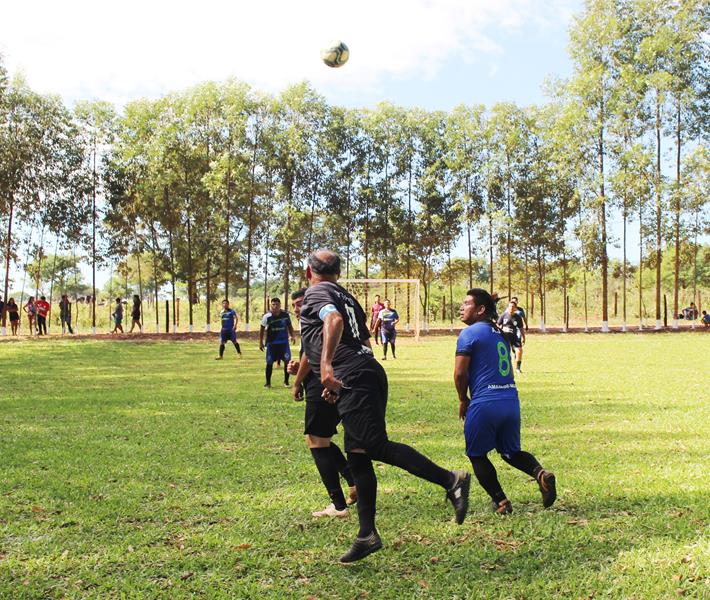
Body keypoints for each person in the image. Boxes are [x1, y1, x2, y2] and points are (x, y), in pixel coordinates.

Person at [300, 249, 471, 563]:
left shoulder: (317, 292)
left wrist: (327, 368)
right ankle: (367, 534)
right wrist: (342, 379)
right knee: (358, 454)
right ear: (337, 272)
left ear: (309, 272)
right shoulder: (346, 296)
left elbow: (333, 321)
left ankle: (452, 480)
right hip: (365, 372)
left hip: (355, 374)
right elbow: (363, 343)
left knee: (374, 446)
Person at [454, 288, 556, 515]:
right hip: (510, 400)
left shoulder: (469, 334)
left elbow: (460, 374)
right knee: (510, 452)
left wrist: (463, 399)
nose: (462, 307)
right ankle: (541, 474)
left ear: (480, 310)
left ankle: (501, 502)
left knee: (476, 454)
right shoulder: (498, 331)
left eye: (466, 303)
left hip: (485, 402)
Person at [288, 288, 357, 518]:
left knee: (317, 441)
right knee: (321, 439)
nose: (298, 309)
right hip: (326, 380)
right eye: (295, 305)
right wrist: (299, 369)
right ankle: (353, 482)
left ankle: (339, 506)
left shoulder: (318, 317)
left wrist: (297, 382)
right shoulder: (318, 319)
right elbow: (310, 355)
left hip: (321, 384)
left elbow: (310, 353)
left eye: (300, 303)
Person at [259, 297, 295, 388]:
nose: (275, 306)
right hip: (272, 343)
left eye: (277, 305)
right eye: (273, 304)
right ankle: (268, 383)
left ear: (280, 305)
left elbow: (290, 326)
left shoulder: (285, 315)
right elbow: (262, 329)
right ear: (271, 305)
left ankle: (286, 382)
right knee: (269, 362)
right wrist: (260, 342)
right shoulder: (267, 316)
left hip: (283, 343)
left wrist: (292, 336)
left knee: (287, 361)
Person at [498, 300, 526, 374]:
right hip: (504, 337)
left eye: (513, 307)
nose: (511, 308)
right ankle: (503, 368)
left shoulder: (518, 317)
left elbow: (521, 328)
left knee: (519, 351)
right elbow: (497, 325)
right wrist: (500, 330)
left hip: (514, 336)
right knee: (504, 353)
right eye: (510, 306)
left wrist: (523, 337)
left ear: (515, 308)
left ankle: (518, 368)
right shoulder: (504, 315)